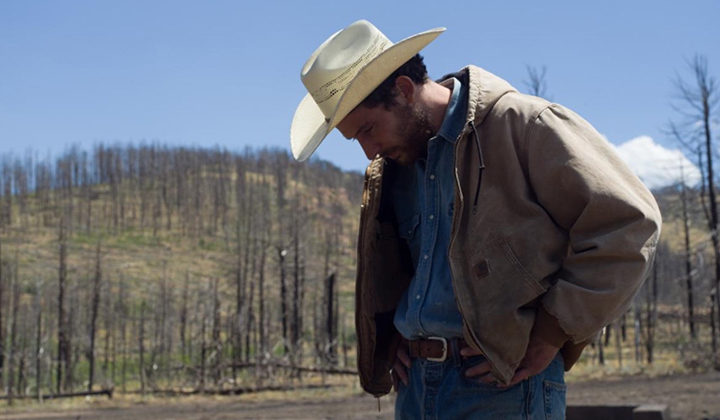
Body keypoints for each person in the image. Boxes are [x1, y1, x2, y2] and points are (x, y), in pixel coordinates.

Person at [290, 20, 661, 420]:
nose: (368, 152)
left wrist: (553, 331)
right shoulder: (395, 167)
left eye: (368, 130)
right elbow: (414, 270)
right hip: (414, 389)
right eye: (356, 140)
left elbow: (629, 222)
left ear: (402, 90)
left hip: (502, 389)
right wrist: (398, 332)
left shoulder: (523, 124)